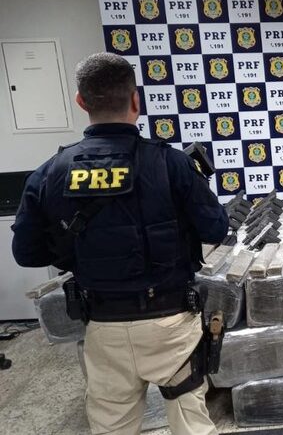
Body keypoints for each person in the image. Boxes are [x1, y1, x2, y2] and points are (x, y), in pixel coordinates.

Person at [12, 52, 229, 435]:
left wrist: (75, 249)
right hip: (170, 324)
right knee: (193, 424)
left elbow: (26, 253)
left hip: (104, 324)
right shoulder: (172, 163)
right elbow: (216, 229)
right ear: (135, 100)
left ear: (81, 101)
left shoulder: (50, 173)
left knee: (112, 427)